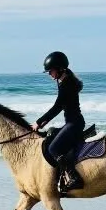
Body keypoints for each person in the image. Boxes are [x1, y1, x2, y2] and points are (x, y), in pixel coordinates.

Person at [36, 50, 87, 194]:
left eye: (51, 71)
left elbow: (57, 107)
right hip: (72, 122)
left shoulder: (67, 84)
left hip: (74, 124)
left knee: (53, 149)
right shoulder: (64, 80)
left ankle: (74, 177)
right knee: (51, 134)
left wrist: (39, 122)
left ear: (59, 69)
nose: (50, 75)